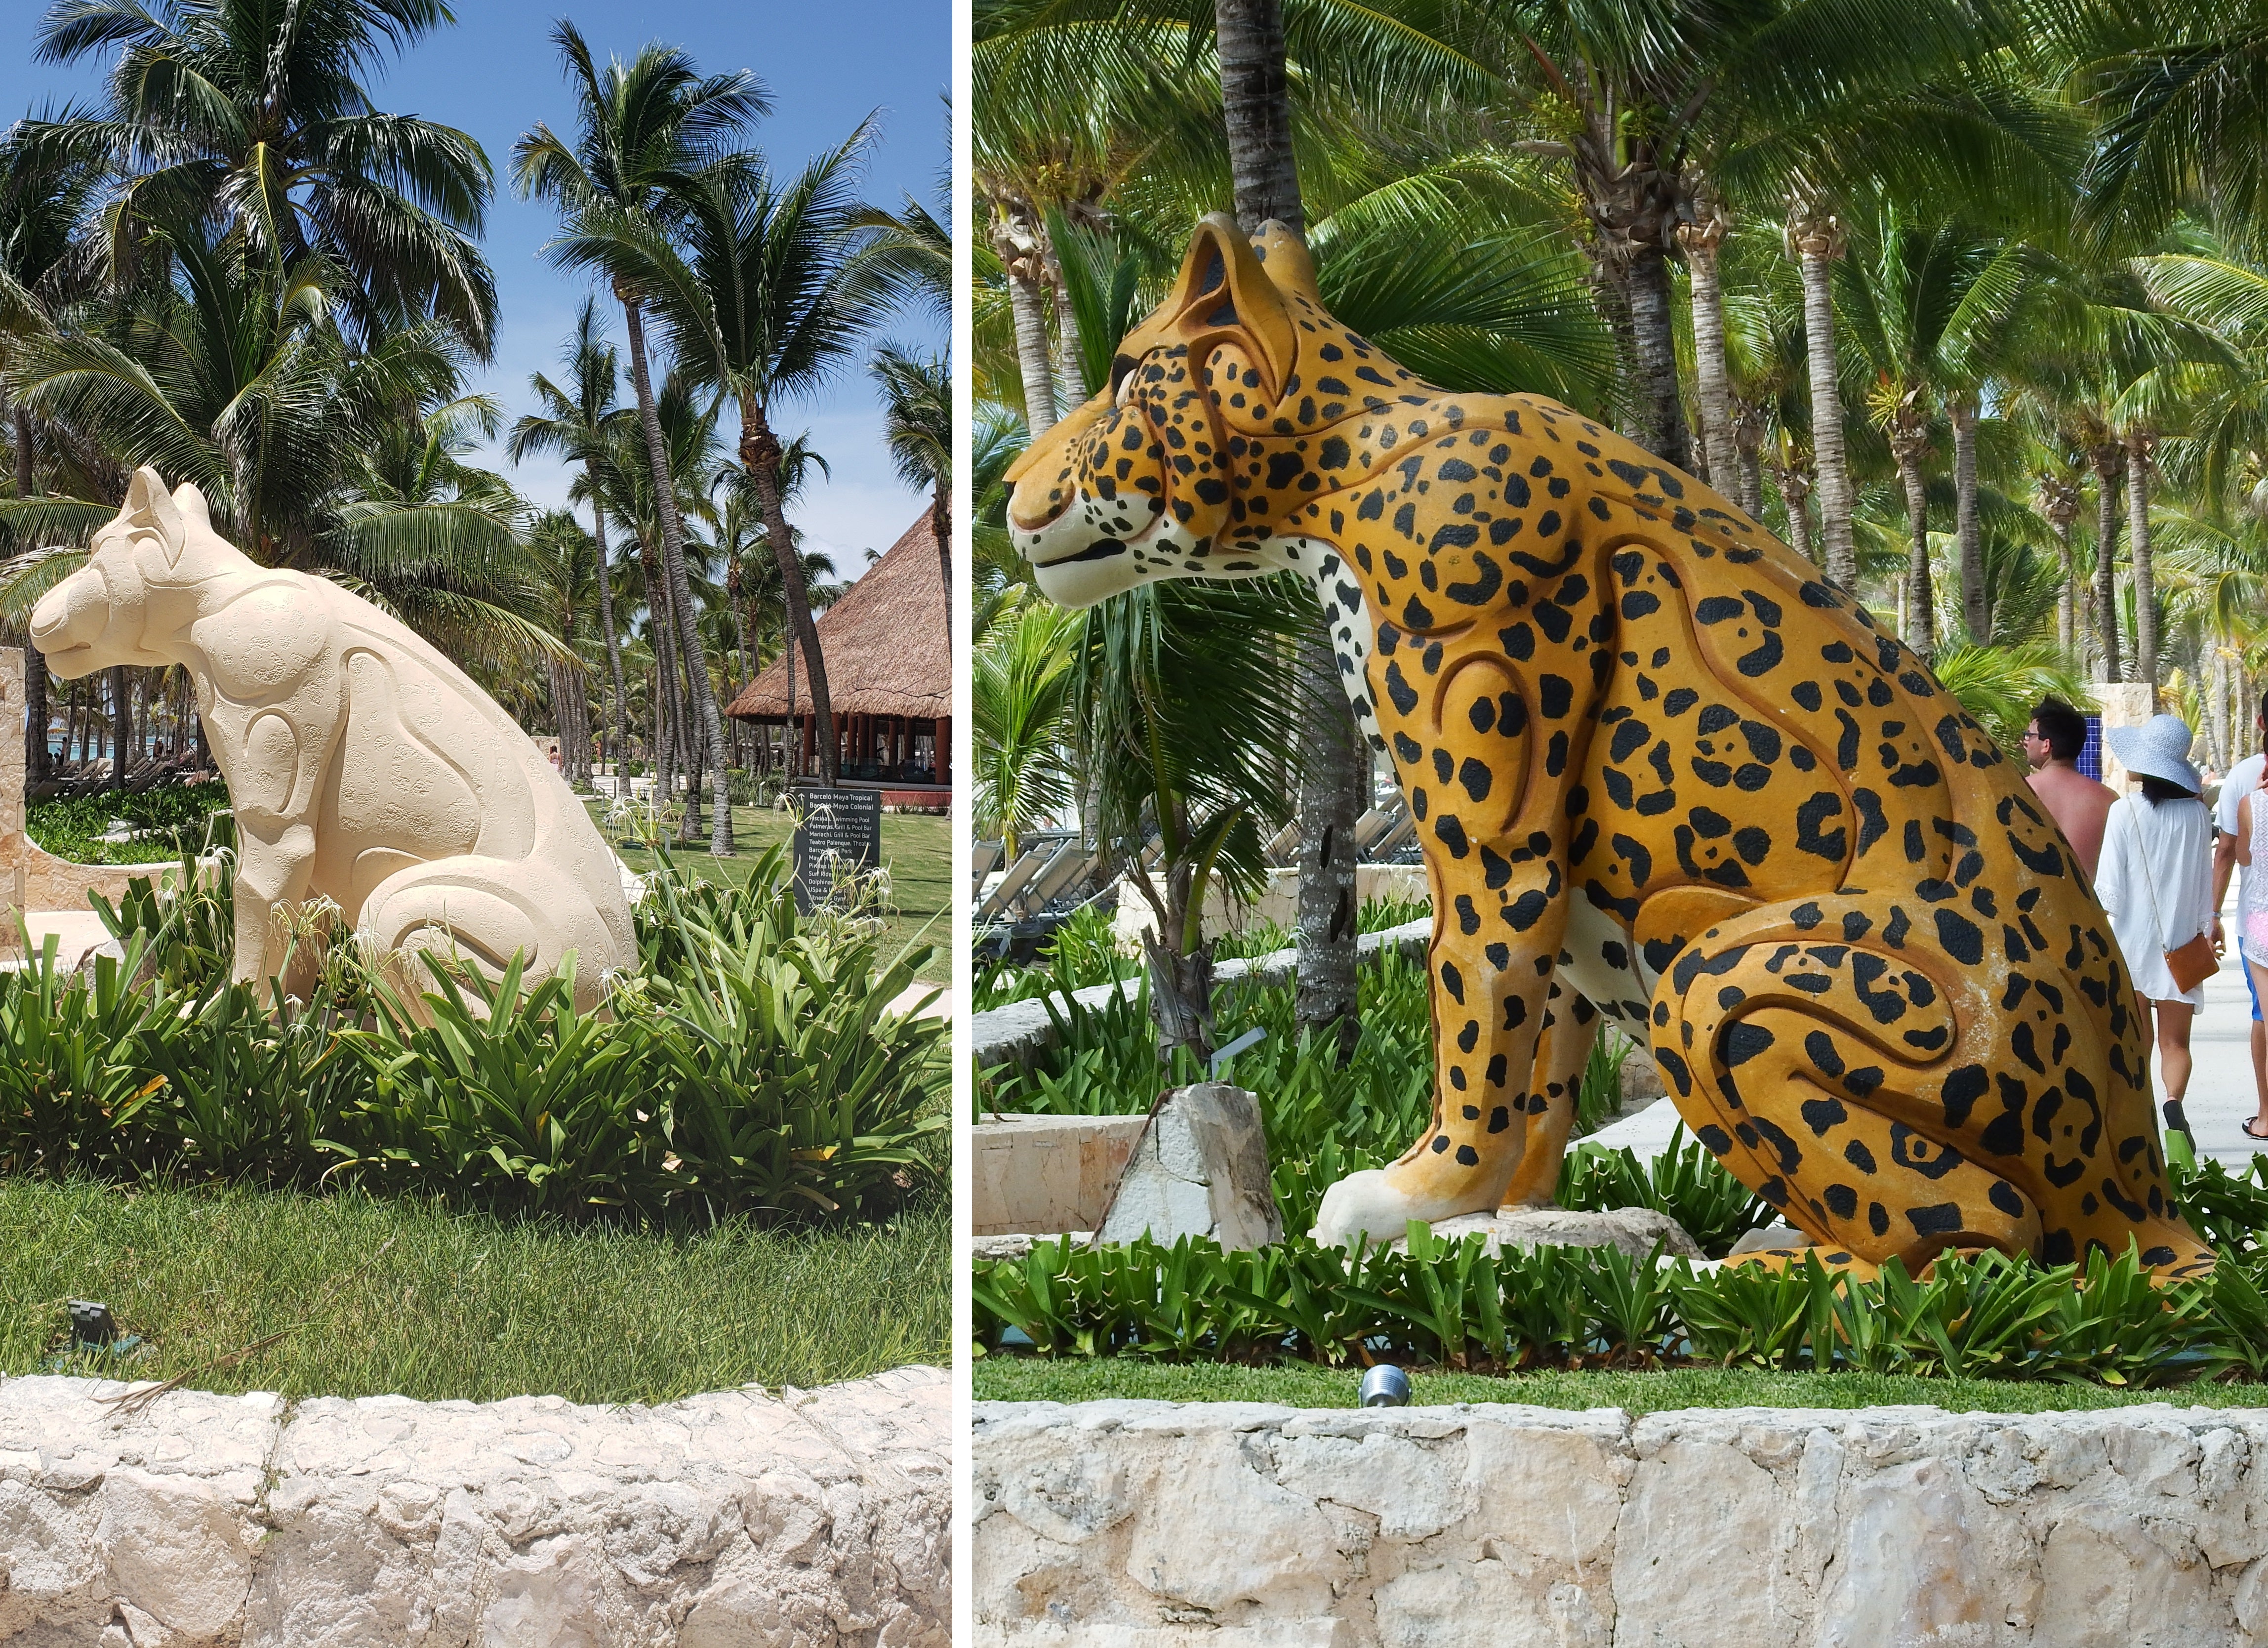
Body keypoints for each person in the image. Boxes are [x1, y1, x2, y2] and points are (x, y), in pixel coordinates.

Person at [2096, 714, 2216, 1154]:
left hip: (2132, 945)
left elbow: (2109, 889)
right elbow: (2204, 882)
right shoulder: (2199, 815)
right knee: (2175, 1042)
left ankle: (2136, 1119)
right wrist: (2207, 924)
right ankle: (2172, 1103)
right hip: (2182, 945)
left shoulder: (2124, 811)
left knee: (2137, 1040)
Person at [2213, 694, 2268, 1129]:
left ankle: (2267, 1116)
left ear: (2261, 722)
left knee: (2263, 1014)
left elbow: (2237, 854)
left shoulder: (2247, 785)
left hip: (2260, 915)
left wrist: (2213, 913)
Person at [2023, 697, 2118, 877]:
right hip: (2088, 902)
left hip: (2033, 901)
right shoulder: (2109, 799)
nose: (2025, 742)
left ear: (2046, 745)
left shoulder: (2020, 791)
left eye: (2029, 735)